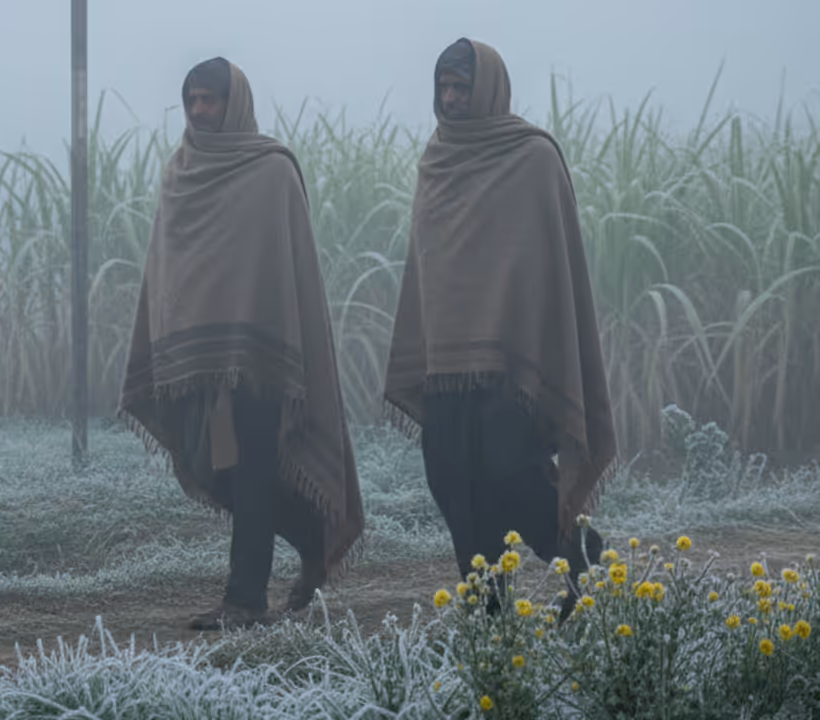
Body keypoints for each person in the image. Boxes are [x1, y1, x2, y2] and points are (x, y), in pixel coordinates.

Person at [118, 57, 365, 630]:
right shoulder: (181, 170)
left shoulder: (270, 170)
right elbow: (169, 267)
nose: (201, 111)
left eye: (212, 100)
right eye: (193, 101)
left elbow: (284, 269)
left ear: (237, 103)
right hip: (197, 360)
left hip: (261, 355)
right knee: (219, 468)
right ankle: (312, 541)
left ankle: (245, 600)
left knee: (252, 468)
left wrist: (258, 340)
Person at [382, 38, 616, 619]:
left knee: (515, 479)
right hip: (447, 365)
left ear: (487, 87)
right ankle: (490, 619)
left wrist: (526, 346)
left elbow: (547, 268)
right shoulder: (437, 158)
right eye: (444, 87)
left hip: (513, 365)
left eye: (462, 86)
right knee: (453, 483)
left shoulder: (531, 157)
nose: (451, 98)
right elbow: (429, 267)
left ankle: (588, 569)